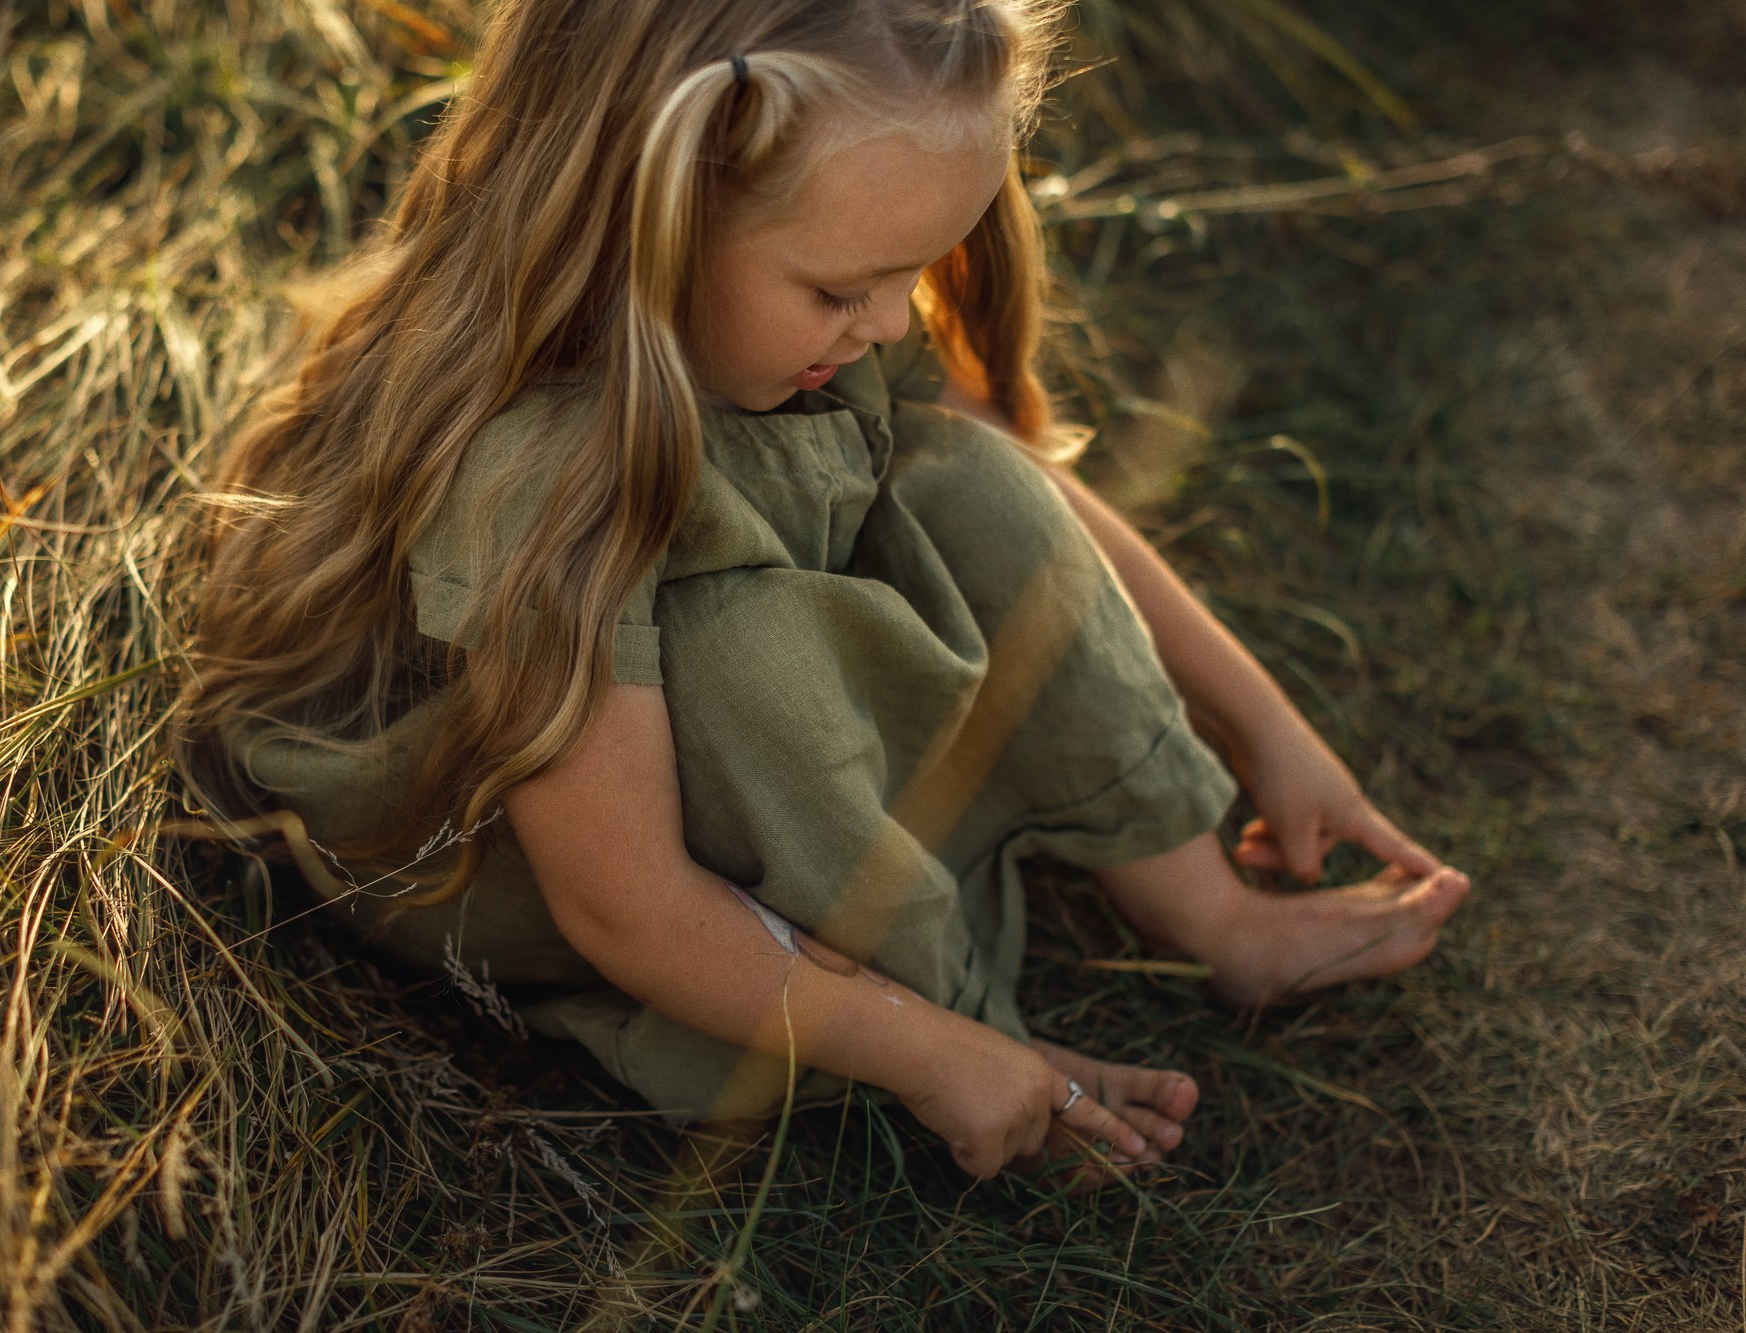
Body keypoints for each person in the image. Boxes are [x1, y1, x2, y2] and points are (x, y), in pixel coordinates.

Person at [177, 0, 1471, 1185]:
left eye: (913, 272)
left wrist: (1267, 731)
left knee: (968, 474)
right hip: (561, 868)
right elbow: (624, 903)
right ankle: (976, 1049)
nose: (896, 324)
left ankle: (1212, 913)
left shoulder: (797, 311)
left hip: (703, 776)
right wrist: (932, 1052)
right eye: (844, 288)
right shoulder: (537, 478)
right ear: (653, 218)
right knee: (754, 654)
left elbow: (1036, 515)